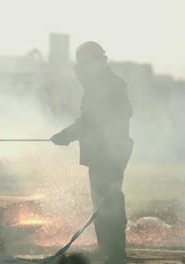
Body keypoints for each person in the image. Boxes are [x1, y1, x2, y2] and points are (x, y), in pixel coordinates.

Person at [50, 41, 133, 264]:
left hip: (108, 155)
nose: (81, 69)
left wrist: (67, 135)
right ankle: (109, 251)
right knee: (103, 204)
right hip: (105, 154)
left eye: (83, 64)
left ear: (92, 62)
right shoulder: (104, 84)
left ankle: (114, 254)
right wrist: (67, 134)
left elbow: (93, 122)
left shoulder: (107, 85)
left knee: (108, 204)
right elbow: (90, 121)